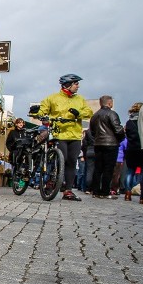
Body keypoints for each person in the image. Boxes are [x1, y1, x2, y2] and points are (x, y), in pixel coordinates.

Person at [37, 73, 93, 201]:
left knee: (72, 161)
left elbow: (89, 112)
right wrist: (41, 114)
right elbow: (42, 109)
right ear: (68, 85)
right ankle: (52, 181)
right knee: (62, 158)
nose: (78, 86)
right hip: (59, 134)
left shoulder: (80, 99)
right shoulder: (53, 98)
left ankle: (68, 190)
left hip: (74, 134)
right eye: (76, 83)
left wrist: (79, 113)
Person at [89, 95, 124, 199]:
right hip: (111, 144)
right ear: (109, 103)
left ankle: (95, 191)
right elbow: (118, 129)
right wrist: (121, 138)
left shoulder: (95, 116)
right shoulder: (112, 114)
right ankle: (105, 192)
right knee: (108, 169)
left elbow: (92, 131)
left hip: (98, 143)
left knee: (98, 168)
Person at [124, 102, 143, 201]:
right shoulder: (142, 121)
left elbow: (127, 135)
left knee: (130, 171)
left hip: (130, 149)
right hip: (142, 148)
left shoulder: (128, 122)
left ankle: (127, 193)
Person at [81, 128, 95, 194]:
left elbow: (84, 143)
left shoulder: (88, 131)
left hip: (89, 150)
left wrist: (85, 153)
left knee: (89, 171)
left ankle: (88, 189)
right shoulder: (100, 129)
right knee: (97, 171)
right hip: (98, 150)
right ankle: (94, 188)